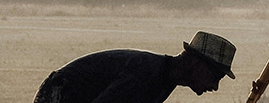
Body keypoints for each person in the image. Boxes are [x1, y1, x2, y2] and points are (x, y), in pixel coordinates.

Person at [32, 31, 236, 103]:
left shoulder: (164, 79)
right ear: (194, 62)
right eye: (215, 76)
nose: (215, 87)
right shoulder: (146, 75)